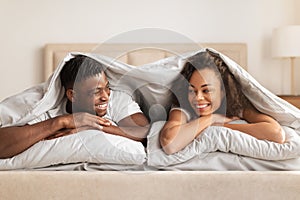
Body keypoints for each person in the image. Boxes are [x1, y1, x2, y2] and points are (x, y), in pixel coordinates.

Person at [0, 55, 149, 159]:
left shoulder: (117, 100)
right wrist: (61, 122)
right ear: (73, 95)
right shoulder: (48, 107)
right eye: (96, 91)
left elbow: (145, 133)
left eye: (107, 87)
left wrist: (90, 127)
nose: (105, 96)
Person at [160, 51, 285, 155]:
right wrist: (211, 119)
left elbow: (276, 134)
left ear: (223, 90)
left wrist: (221, 126)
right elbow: (170, 144)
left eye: (206, 90)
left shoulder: (236, 106)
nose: (198, 97)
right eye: (192, 91)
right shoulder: (183, 108)